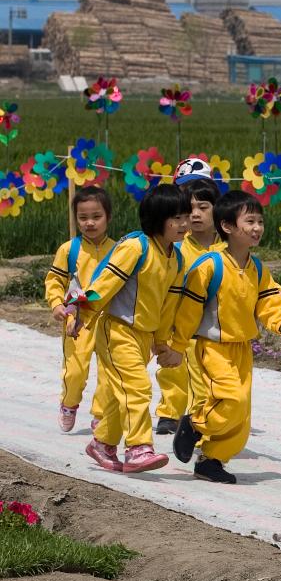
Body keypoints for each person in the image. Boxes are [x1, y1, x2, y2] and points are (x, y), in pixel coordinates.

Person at [168, 191, 281, 483]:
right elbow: (187, 311)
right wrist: (176, 346)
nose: (257, 228)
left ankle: (212, 460)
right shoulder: (209, 266)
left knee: (241, 418)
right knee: (230, 398)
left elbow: (270, 303)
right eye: (249, 221)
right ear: (227, 227)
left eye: (260, 221)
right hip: (213, 348)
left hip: (242, 349)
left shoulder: (258, 269)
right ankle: (195, 424)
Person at [82, 184, 190, 473]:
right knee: (137, 388)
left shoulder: (176, 259)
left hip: (143, 336)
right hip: (117, 330)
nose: (184, 224)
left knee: (124, 394)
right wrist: (82, 313)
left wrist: (161, 341)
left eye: (186, 217)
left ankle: (102, 443)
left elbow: (168, 305)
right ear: (158, 218)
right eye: (176, 218)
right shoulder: (135, 246)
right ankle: (139, 447)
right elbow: (105, 284)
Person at [156, 168, 226, 436]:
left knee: (204, 375)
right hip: (174, 322)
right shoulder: (176, 247)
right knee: (172, 368)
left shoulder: (226, 249)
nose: (195, 214)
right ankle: (169, 412)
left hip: (207, 325)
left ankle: (199, 418)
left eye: (203, 207)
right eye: (189, 209)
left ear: (217, 211)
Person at [45, 186, 115, 433]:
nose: (90, 223)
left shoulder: (119, 251)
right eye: (83, 218)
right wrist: (57, 304)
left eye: (96, 217)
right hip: (77, 320)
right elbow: (54, 280)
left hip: (110, 321)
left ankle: (100, 415)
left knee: (109, 374)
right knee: (75, 371)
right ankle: (69, 403)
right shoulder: (69, 250)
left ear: (108, 217)